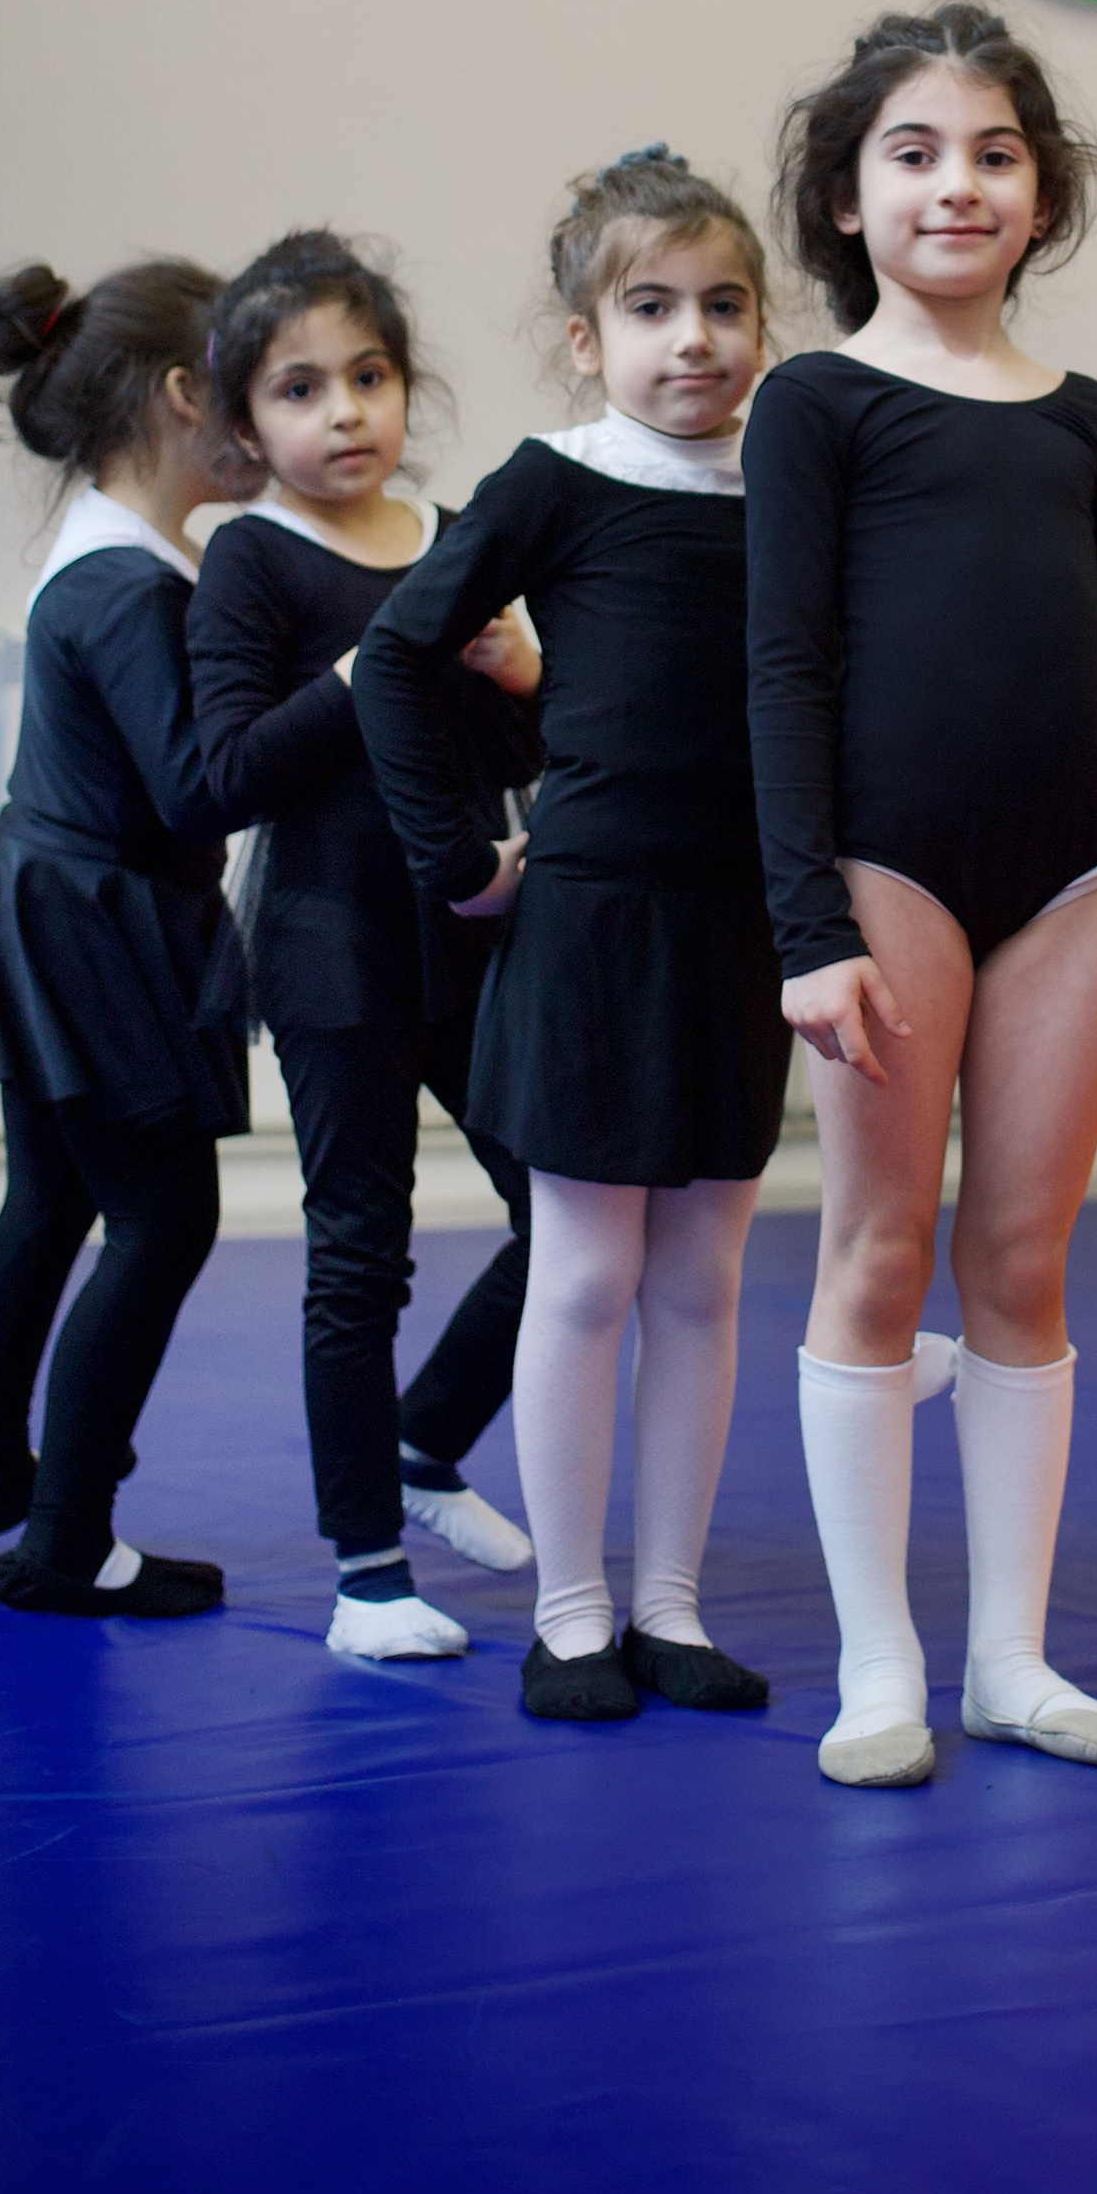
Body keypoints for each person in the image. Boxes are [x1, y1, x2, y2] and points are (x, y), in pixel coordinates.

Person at [745, 0, 1097, 1790]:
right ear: (848, 201)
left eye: (996, 153)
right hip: (888, 873)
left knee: (1022, 1255)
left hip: (1069, 880)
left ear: (1045, 191)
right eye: (914, 154)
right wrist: (807, 924)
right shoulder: (819, 403)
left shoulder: (1095, 423)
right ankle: (883, 1666)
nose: (959, 184)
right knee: (876, 1249)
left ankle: (1013, 1658)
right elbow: (783, 670)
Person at [355, 151, 788, 1725]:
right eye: (653, 308)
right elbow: (399, 657)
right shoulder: (555, 478)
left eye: (726, 305)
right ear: (585, 337)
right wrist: (456, 857)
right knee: (591, 1273)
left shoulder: (794, 480)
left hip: (743, 919)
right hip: (595, 920)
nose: (695, 340)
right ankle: (572, 1606)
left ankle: (670, 1603)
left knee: (705, 1283)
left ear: (768, 323)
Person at [189, 232, 544, 1663]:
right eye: (300, 389)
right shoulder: (251, 564)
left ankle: (424, 1439)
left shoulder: (457, 536)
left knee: (570, 1213)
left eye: (370, 376)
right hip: (333, 939)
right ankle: (368, 1572)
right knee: (361, 1253)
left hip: (466, 925)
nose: (344, 412)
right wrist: (365, 665)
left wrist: (526, 674)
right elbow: (220, 775)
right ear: (244, 425)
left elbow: (517, 747)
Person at [0, 259, 241, 1618]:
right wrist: (354, 687)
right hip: (87, 916)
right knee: (164, 1219)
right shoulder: (130, 583)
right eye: (261, 381)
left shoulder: (113, 549)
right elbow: (194, 786)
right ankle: (65, 1542)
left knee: (54, 1202)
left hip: (43, 891)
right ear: (186, 394)